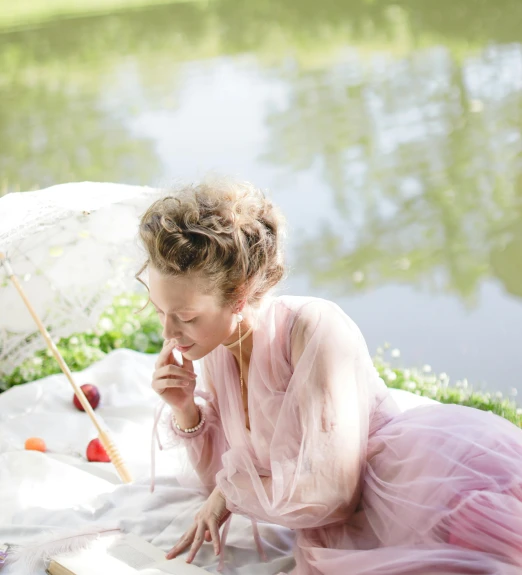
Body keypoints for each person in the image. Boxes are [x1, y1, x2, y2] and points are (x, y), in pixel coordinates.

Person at [138, 179, 522, 575]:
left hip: (413, 485)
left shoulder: (313, 328)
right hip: (339, 526)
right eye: (159, 311)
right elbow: (225, 472)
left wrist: (228, 494)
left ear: (238, 294)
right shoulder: (216, 348)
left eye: (185, 317)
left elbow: (330, 495)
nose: (168, 333)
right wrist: (186, 409)